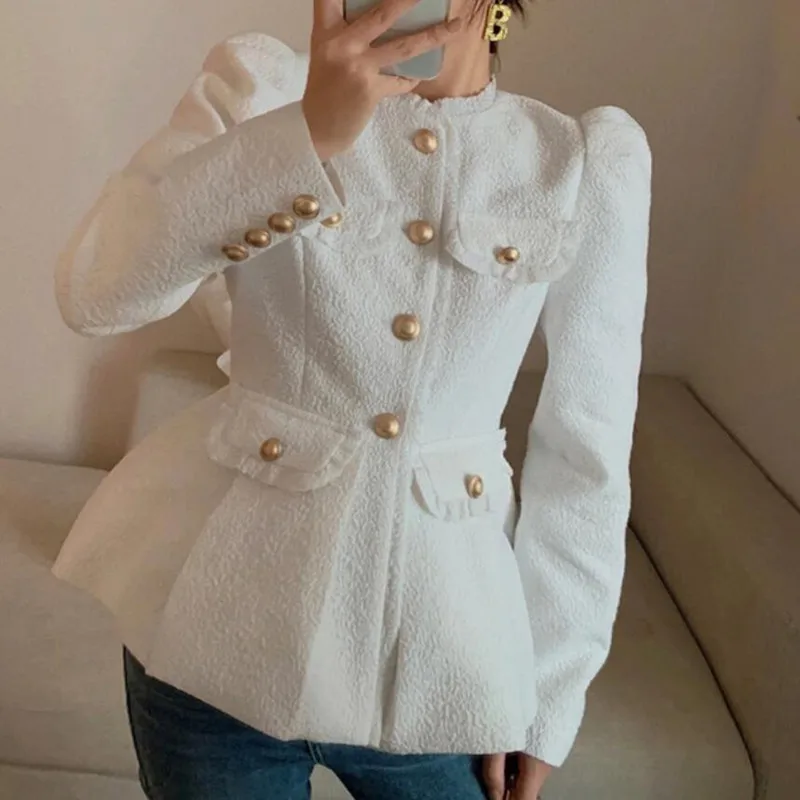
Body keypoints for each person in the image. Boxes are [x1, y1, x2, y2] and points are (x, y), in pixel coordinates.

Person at [52, 0, 652, 797]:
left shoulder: (577, 162)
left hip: (443, 664)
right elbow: (95, 293)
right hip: (210, 643)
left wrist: (550, 695)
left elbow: (587, 454)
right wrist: (304, 139)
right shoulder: (259, 89)